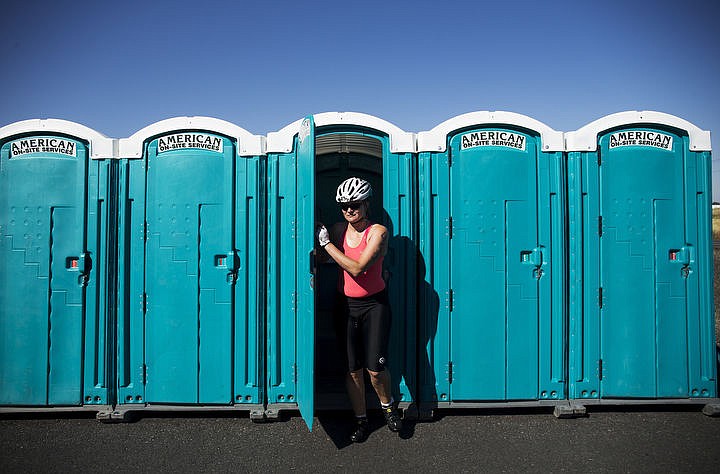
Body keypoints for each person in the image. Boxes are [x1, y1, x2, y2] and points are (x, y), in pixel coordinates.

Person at [316, 177, 402, 442]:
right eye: (344, 206)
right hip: (345, 305)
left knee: (375, 369)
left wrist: (326, 244)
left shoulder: (378, 232)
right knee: (352, 370)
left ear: (366, 204)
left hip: (374, 306)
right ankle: (361, 420)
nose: (349, 210)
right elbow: (320, 257)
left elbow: (357, 267)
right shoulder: (339, 229)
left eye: (355, 204)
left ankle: (388, 408)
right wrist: (321, 239)